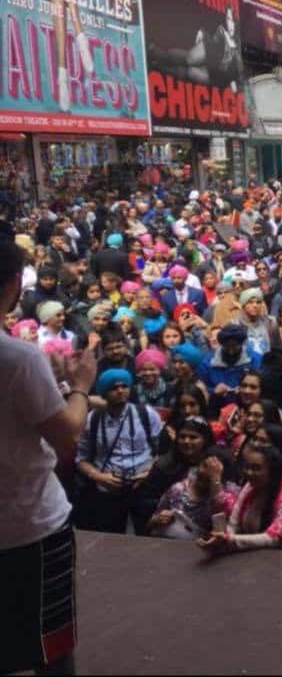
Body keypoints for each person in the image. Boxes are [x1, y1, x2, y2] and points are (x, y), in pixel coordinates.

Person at [0, 230, 96, 676]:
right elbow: (66, 435)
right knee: (50, 643)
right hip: (30, 526)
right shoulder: (18, 359)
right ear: (14, 284)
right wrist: (79, 386)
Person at [73, 368, 163, 535]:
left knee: (146, 533)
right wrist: (99, 477)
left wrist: (150, 470)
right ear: (104, 393)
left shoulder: (146, 414)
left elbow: (162, 451)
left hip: (142, 487)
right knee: (111, 537)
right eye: (114, 388)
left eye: (124, 386)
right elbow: (80, 459)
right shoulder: (92, 420)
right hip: (107, 491)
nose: (121, 391)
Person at [197, 442, 282, 553]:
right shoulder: (250, 486)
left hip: (280, 558)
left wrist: (229, 539)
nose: (249, 472)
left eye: (256, 469)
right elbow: (234, 524)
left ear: (273, 472)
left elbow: (274, 538)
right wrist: (221, 539)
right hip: (250, 556)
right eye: (247, 467)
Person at [148, 444, 240, 539]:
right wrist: (158, 520)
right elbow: (151, 523)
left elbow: (225, 524)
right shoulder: (178, 490)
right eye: (205, 466)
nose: (206, 473)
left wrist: (215, 480)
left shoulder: (231, 493)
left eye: (214, 471)